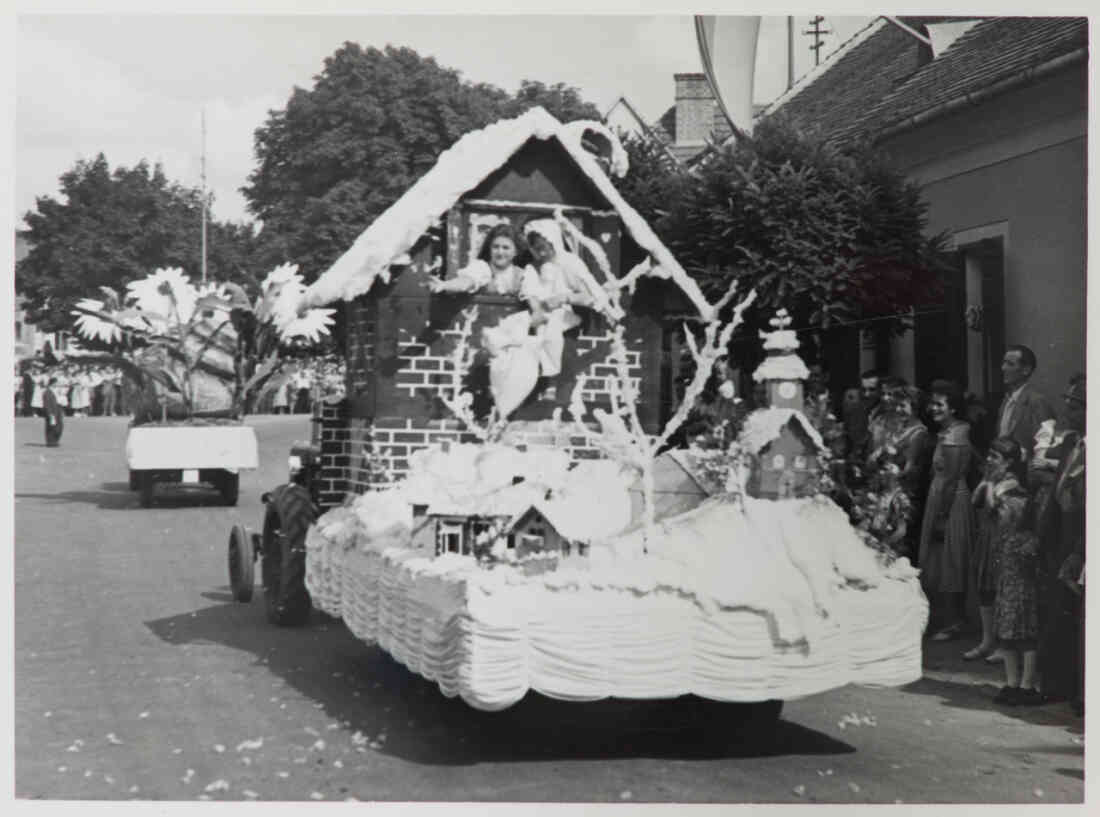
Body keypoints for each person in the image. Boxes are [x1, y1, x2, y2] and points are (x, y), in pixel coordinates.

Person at [969, 438, 1042, 705]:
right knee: (1007, 630)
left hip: (1017, 567)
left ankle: (1027, 685)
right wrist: (988, 481)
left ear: (1009, 462)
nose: (989, 460)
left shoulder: (1014, 491)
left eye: (995, 457)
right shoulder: (999, 485)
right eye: (988, 455)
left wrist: (989, 483)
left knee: (1023, 630)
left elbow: (994, 510)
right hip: (1004, 562)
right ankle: (1012, 684)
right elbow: (978, 502)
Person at [1034, 374, 1086, 706]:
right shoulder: (1070, 442)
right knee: (1057, 609)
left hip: (1084, 535)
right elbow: (1056, 491)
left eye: (1077, 403)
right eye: (1067, 400)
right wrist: (1044, 537)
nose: (1068, 407)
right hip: (1062, 532)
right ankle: (1058, 685)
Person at [919, 379, 974, 641]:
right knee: (939, 559)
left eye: (939, 404)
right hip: (940, 494)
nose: (933, 408)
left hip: (950, 500)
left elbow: (952, 478)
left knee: (949, 557)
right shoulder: (947, 431)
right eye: (932, 403)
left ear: (953, 408)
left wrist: (942, 516)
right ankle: (944, 618)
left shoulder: (956, 434)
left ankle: (954, 621)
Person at [872, 384, 932, 561]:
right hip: (889, 486)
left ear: (915, 407)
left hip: (905, 492)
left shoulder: (918, 433)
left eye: (903, 406)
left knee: (900, 535)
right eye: (896, 405)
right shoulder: (897, 428)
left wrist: (889, 471)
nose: (898, 410)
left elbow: (910, 467)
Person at [996, 345, 1055, 473]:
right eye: (1003, 363)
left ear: (1026, 370)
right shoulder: (1007, 400)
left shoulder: (1037, 401)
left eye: (1010, 364)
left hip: (1024, 475)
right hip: (1004, 471)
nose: (1003, 368)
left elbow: (1044, 443)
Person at [427, 223, 526, 296]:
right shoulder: (482, 268)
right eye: (496, 247)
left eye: (506, 248)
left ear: (515, 251)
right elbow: (466, 282)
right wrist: (444, 285)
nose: (500, 252)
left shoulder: (522, 274)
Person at [42, 376, 64, 446]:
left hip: (58, 410)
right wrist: (50, 414)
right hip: (52, 412)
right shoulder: (47, 392)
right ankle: (51, 441)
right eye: (57, 383)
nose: (58, 384)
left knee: (59, 426)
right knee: (51, 427)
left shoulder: (56, 391)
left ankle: (55, 440)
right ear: (53, 383)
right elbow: (47, 404)